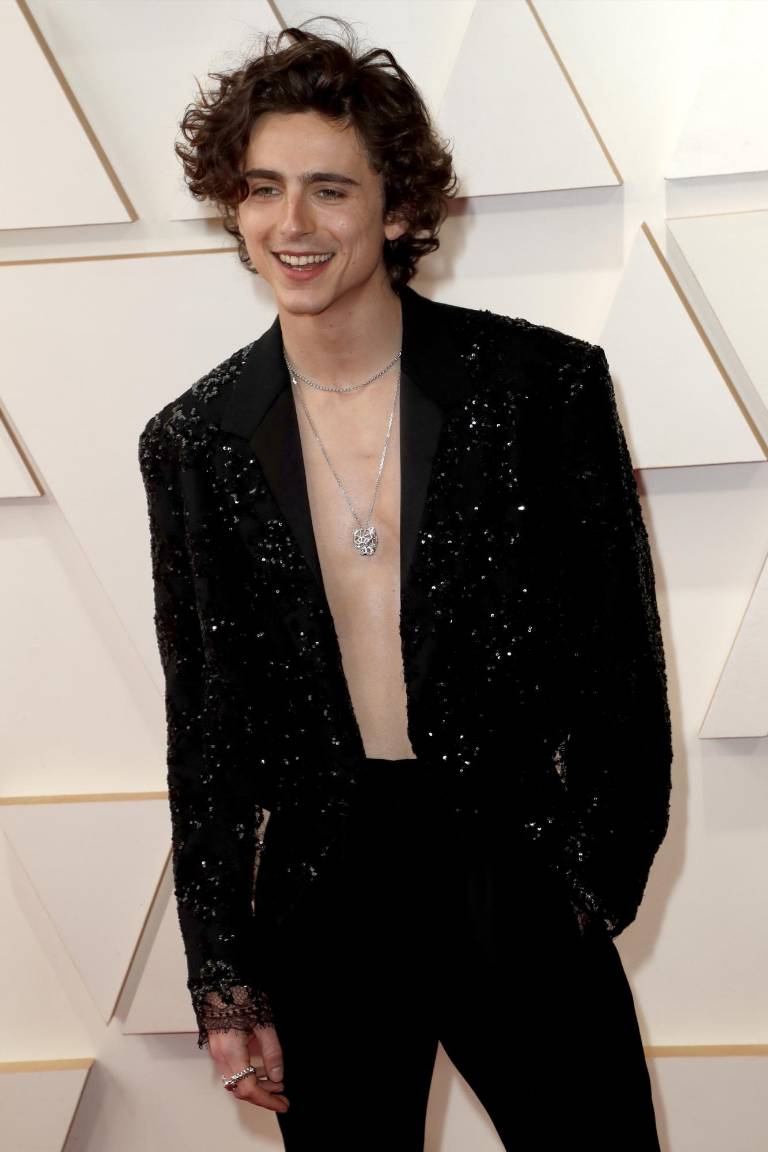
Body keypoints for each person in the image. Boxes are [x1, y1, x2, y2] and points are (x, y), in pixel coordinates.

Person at [138, 20, 673, 1152]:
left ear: (393, 206)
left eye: (330, 190)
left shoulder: (538, 388)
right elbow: (209, 726)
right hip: (326, 893)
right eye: (263, 188)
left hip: (513, 860)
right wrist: (225, 976)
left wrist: (589, 887)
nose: (294, 224)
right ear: (232, 207)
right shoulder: (195, 440)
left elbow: (621, 662)